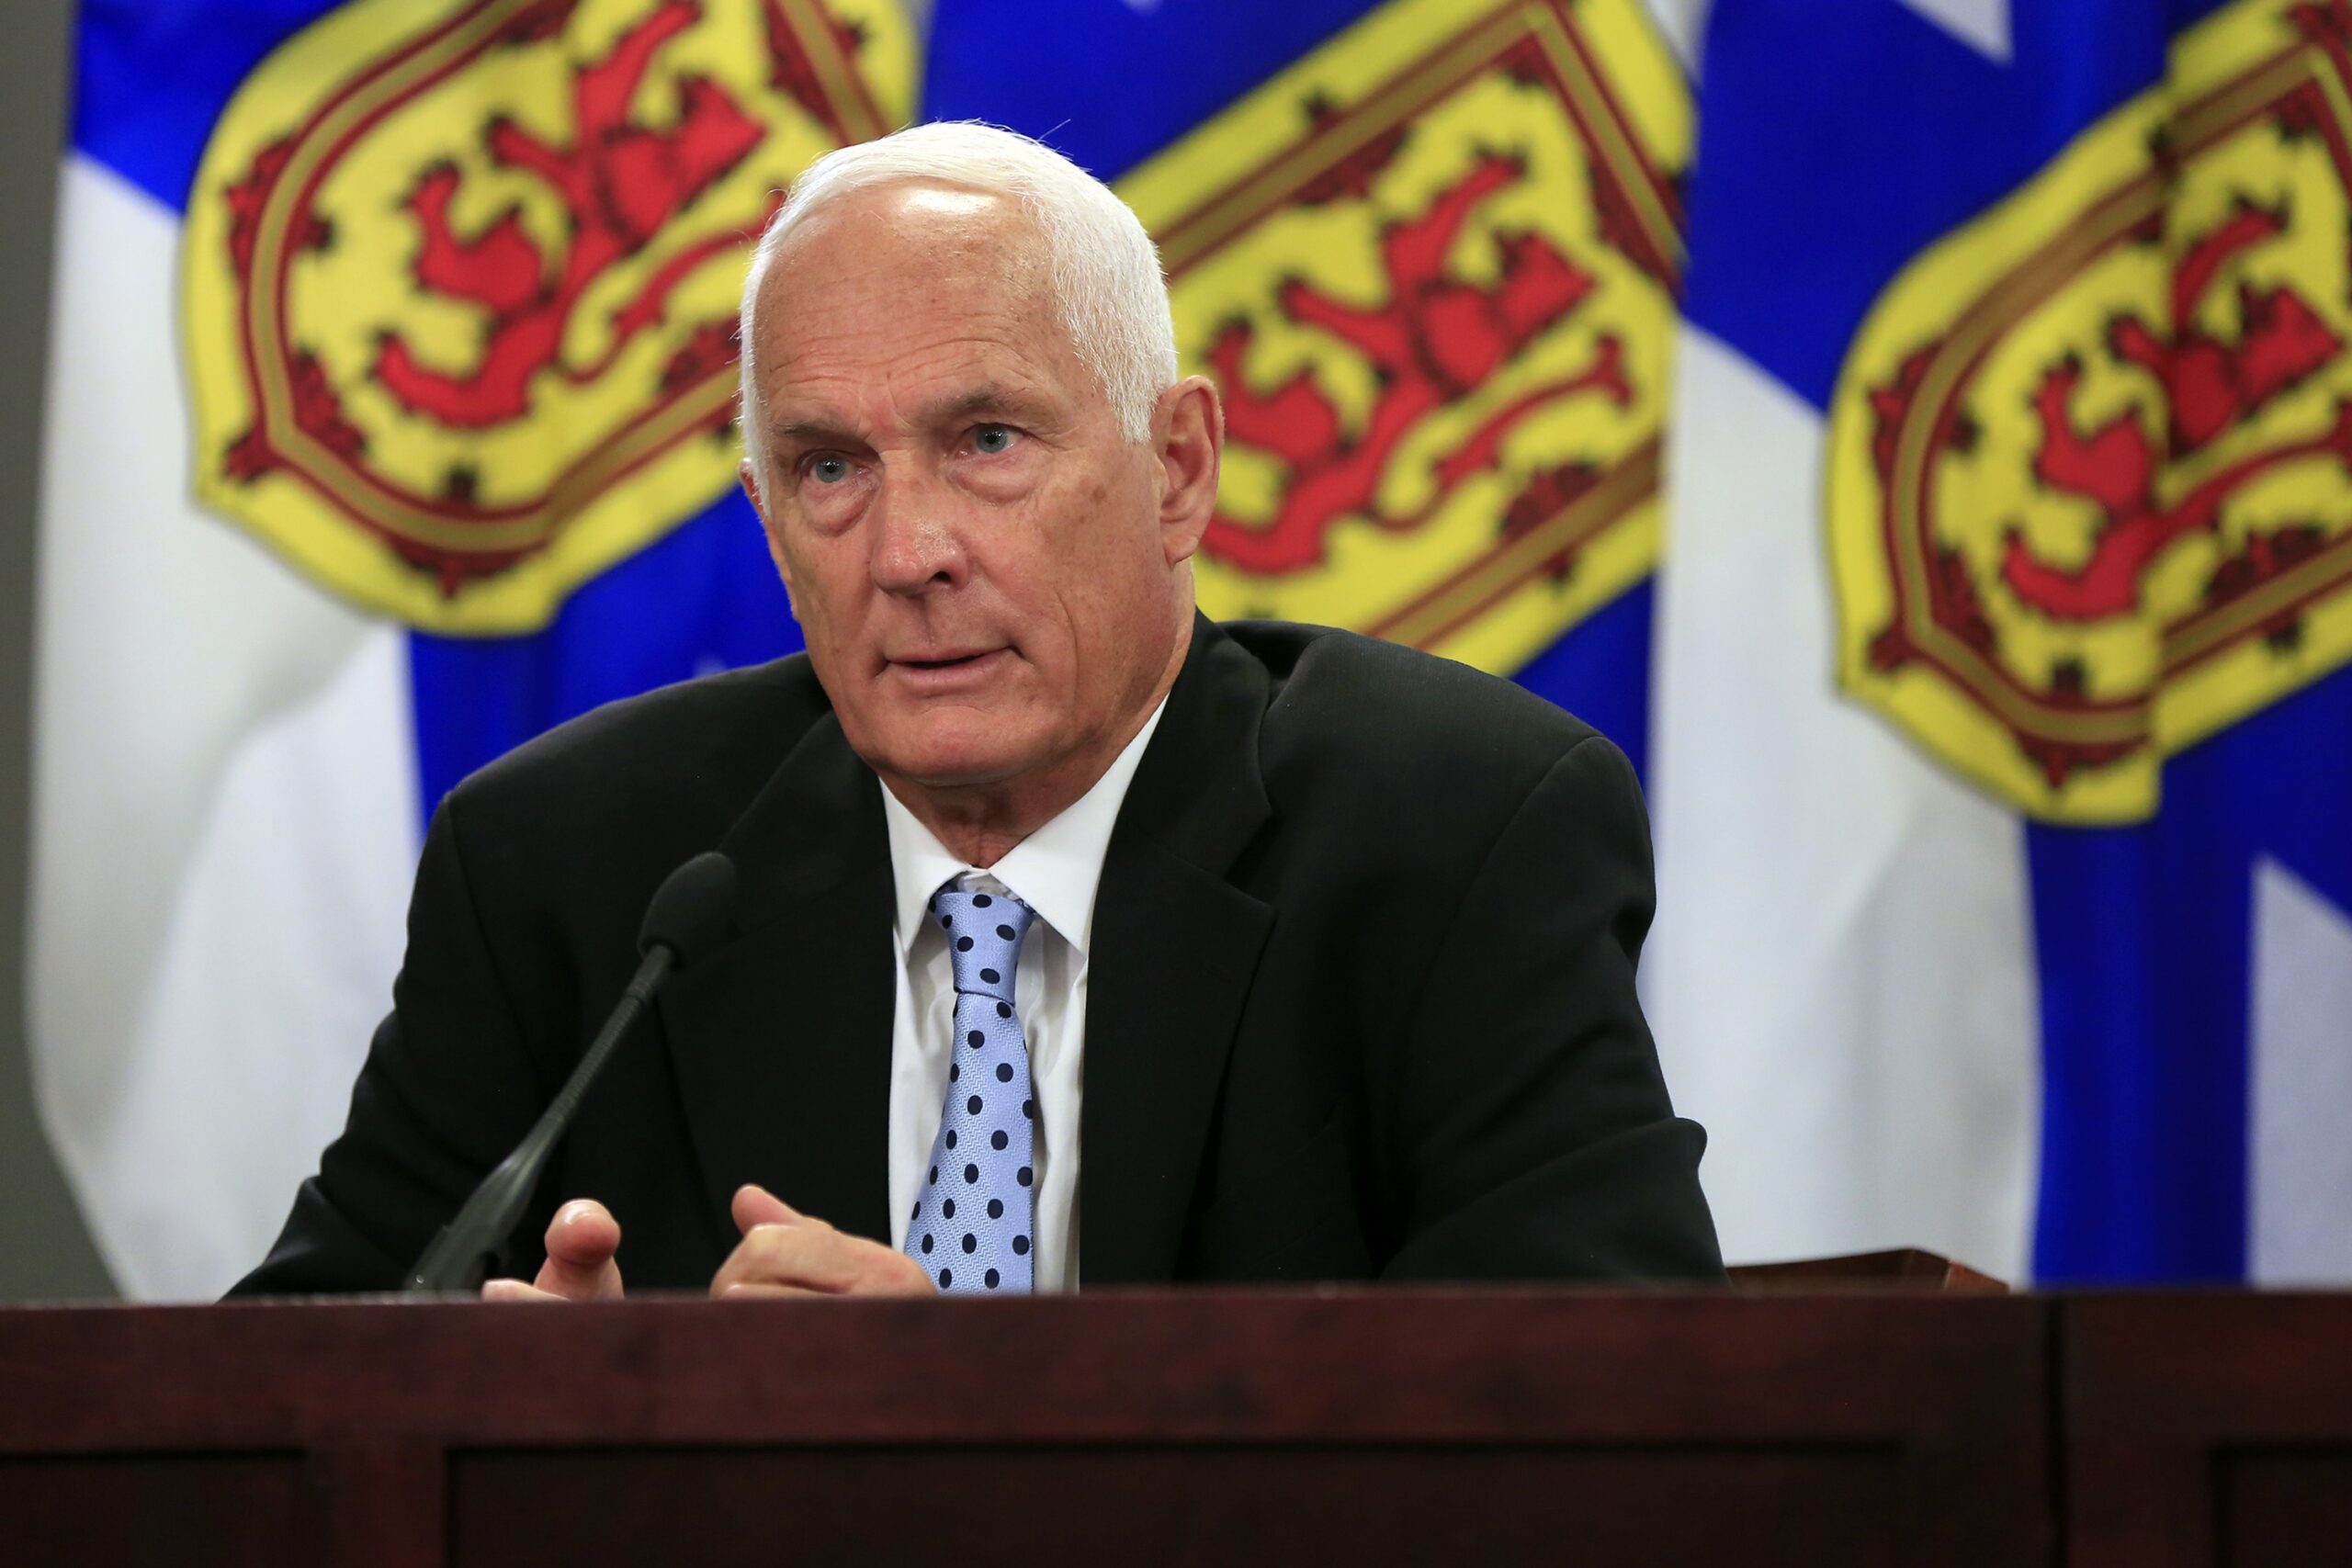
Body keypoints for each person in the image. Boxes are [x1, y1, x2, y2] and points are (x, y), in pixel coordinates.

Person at [232, 122, 1722, 1300]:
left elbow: (1609, 1436)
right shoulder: (571, 873)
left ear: (1177, 470)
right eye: (829, 469)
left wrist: (973, 1438)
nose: (908, 552)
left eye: (989, 439)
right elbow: (287, 1400)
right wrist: (556, 1433)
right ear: (769, 523)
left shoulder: (1457, 837)